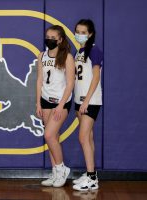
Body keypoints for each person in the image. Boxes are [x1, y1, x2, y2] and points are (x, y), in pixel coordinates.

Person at [36, 25, 75, 187]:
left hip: (61, 101)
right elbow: (39, 80)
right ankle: (55, 173)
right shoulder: (42, 56)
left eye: (53, 38)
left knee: (49, 135)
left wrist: (61, 105)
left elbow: (71, 83)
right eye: (47, 37)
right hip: (45, 100)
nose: (49, 40)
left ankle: (61, 169)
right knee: (54, 138)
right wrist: (38, 102)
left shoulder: (67, 57)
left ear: (60, 40)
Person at [72, 19, 103, 191]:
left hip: (90, 101)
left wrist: (86, 101)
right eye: (77, 31)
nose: (79, 34)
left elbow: (96, 77)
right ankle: (91, 173)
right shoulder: (79, 52)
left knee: (83, 137)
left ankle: (91, 178)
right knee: (88, 137)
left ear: (90, 34)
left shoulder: (94, 50)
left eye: (83, 32)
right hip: (79, 100)